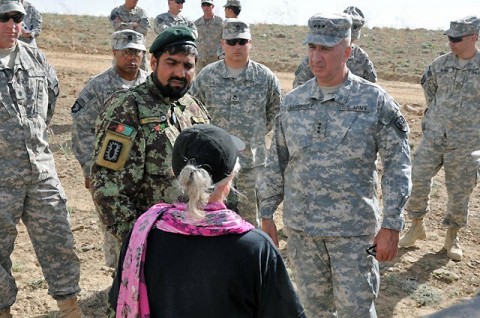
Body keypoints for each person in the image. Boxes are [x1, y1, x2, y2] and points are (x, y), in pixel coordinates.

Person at [259, 13, 411, 317]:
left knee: (356, 311)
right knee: (314, 311)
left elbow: (397, 165)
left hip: (353, 235)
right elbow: (277, 161)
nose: (316, 57)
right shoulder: (294, 103)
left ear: (348, 51)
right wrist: (266, 215)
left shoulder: (374, 102)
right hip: (303, 233)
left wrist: (392, 224)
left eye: (326, 48)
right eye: (312, 47)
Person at [109, 124, 306, 318]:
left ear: (175, 173)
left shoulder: (144, 234)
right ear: (230, 179)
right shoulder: (256, 248)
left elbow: (119, 299)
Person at [90, 26, 210, 250]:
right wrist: (141, 243)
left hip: (194, 240)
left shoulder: (193, 108)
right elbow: (108, 189)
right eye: (171, 63)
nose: (179, 73)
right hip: (151, 245)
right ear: (153, 63)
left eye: (187, 66)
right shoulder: (128, 107)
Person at [0, 1, 82, 317]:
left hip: (40, 170)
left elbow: (50, 100)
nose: (11, 24)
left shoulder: (36, 58)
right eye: (3, 18)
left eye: (17, 18)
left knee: (59, 240)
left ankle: (70, 307)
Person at [399, 16, 480, 261]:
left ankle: (452, 237)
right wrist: (437, 116)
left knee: (459, 189)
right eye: (449, 38)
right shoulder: (440, 65)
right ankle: (416, 225)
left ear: (474, 38)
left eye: (457, 39)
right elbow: (429, 89)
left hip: (466, 142)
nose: (451, 43)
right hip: (434, 135)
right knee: (417, 177)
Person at [190, 18, 282, 227]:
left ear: (250, 43)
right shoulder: (207, 76)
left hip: (251, 165)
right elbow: (194, 111)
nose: (237, 47)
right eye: (231, 42)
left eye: (242, 41)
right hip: (213, 167)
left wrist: (254, 133)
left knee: (251, 224)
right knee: (212, 220)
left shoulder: (265, 77)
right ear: (222, 44)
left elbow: (275, 112)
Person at [71, 29, 148, 267]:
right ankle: (118, 283)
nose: (131, 57)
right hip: (110, 171)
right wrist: (88, 169)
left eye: (136, 51)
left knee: (147, 226)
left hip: (145, 172)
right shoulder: (98, 86)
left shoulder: (151, 84)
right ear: (114, 52)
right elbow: (82, 130)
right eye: (125, 51)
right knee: (115, 229)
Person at [292, 6, 377, 88]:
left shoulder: (361, 57)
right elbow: (299, 86)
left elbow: (370, 85)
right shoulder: (316, 58)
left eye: (354, 27)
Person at [110, 0, 150, 71]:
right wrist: (133, 25)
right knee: (118, 74)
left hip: (138, 49)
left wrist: (123, 24)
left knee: (142, 75)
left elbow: (144, 30)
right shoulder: (116, 11)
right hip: (121, 49)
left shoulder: (142, 12)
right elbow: (116, 26)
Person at [194, 0, 223, 71]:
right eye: (204, 5)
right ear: (201, 7)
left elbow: (225, 40)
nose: (206, 7)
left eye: (208, 5)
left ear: (212, 6)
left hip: (215, 61)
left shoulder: (221, 23)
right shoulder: (196, 24)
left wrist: (222, 55)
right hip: (200, 61)